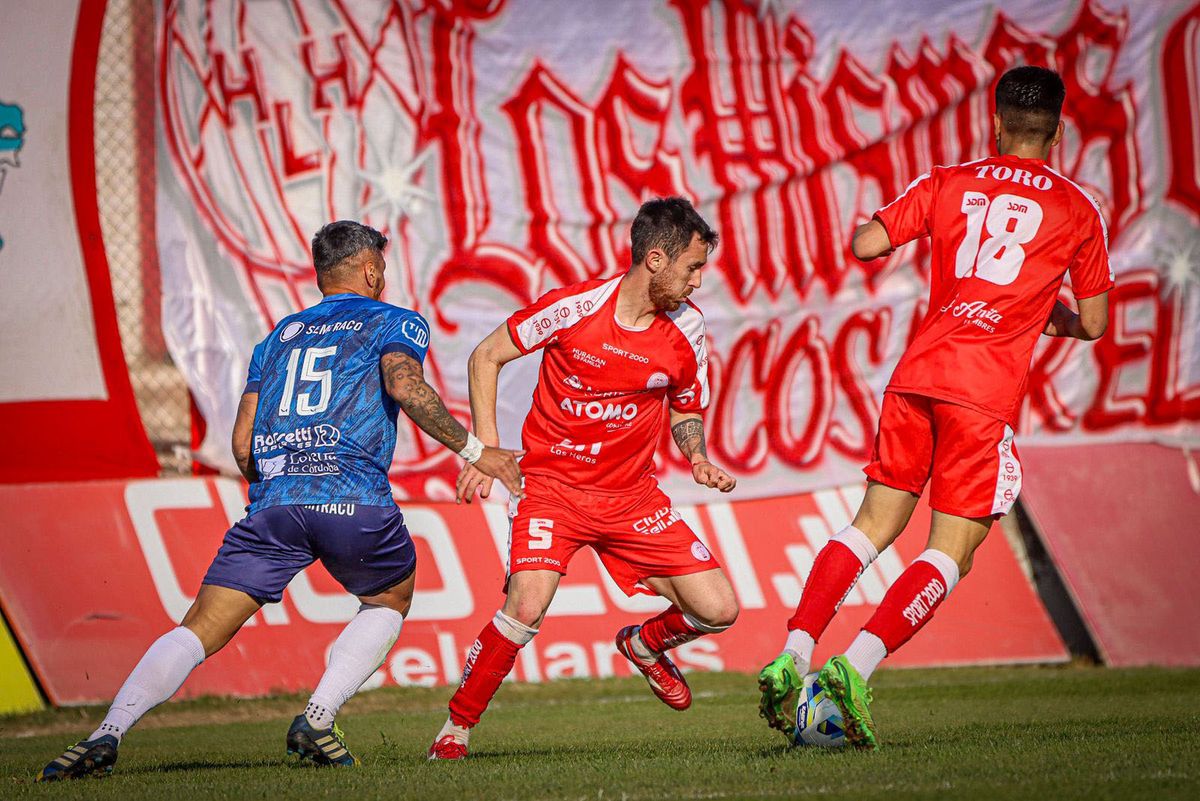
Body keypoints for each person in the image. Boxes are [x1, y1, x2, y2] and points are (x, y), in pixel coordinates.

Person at [38, 221, 523, 780]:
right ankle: (318, 718)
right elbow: (405, 386)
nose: (384, 278)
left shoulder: (277, 338)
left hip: (274, 503)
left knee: (198, 628)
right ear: (371, 271)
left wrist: (276, 489)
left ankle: (106, 733)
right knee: (389, 598)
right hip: (351, 497)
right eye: (383, 269)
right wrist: (476, 450)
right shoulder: (394, 321)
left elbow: (243, 441)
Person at [757, 65, 1112, 749]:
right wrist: (1047, 316)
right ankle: (854, 668)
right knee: (952, 552)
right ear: (1058, 133)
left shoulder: (950, 180)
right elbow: (1094, 323)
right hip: (980, 393)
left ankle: (793, 652)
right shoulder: (1076, 209)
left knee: (869, 526)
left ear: (995, 123)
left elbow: (866, 243)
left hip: (916, 375)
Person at [426, 197, 739, 760]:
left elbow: (686, 406)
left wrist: (696, 456)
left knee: (719, 610)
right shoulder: (574, 307)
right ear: (655, 259)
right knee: (525, 606)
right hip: (552, 491)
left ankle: (644, 645)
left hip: (631, 498)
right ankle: (455, 731)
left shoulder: (688, 327)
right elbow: (486, 355)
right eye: (692, 267)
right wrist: (485, 449)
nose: (698, 281)